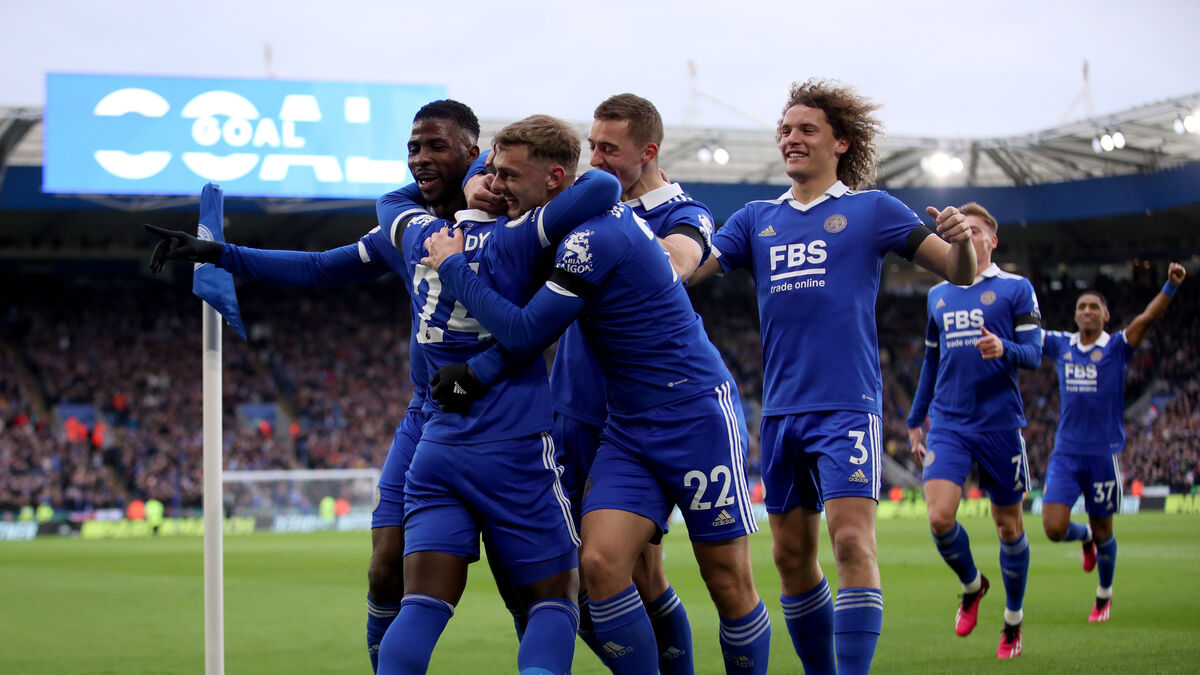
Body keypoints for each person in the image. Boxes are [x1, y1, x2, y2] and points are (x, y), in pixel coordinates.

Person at [425, 114, 772, 674]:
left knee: (727, 580)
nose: (498, 186)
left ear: (554, 178)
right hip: (627, 424)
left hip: (693, 412)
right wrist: (476, 374)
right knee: (601, 566)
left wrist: (454, 267)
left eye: (510, 176)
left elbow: (526, 331)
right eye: (495, 173)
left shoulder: (593, 237)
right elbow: (532, 327)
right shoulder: (564, 226)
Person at [147, 99, 479, 671]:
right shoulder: (404, 227)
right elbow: (320, 267)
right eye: (413, 148)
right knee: (384, 567)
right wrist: (221, 254)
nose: (420, 158)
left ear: (472, 152)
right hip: (428, 413)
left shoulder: (514, 217)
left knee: (536, 587)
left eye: (436, 146)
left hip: (505, 413)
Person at [688, 78, 977, 674]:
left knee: (850, 542)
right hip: (781, 412)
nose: (790, 138)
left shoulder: (873, 210)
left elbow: (960, 272)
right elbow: (686, 275)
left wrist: (963, 242)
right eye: (785, 130)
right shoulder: (755, 220)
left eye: (806, 129)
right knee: (791, 559)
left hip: (847, 405)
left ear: (841, 142)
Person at [375, 162, 620, 674]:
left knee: (421, 604)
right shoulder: (520, 236)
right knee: (555, 600)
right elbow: (603, 186)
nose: (495, 181)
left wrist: (444, 177)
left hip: (438, 447)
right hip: (513, 447)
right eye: (490, 171)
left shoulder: (422, 235)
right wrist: (535, 186)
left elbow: (387, 204)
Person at [565, 93, 713, 673]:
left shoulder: (683, 213)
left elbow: (677, 264)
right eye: (591, 146)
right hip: (569, 407)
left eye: (609, 148)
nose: (595, 160)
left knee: (626, 571)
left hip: (626, 420)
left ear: (648, 151)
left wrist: (612, 226)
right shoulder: (587, 205)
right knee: (587, 574)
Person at [905, 202, 1043, 659]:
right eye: (961, 229)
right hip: (948, 421)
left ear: (992, 240)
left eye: (977, 229)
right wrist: (915, 419)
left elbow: (1034, 353)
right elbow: (931, 361)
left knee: (1009, 527)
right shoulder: (937, 295)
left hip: (1000, 423)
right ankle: (972, 584)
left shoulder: (1015, 288)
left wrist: (1005, 348)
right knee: (939, 517)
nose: (968, 235)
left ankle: (1013, 620)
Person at [1040, 263, 1186, 623]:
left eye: (1094, 306)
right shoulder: (1061, 344)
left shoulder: (1117, 347)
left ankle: (1104, 594)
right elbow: (1026, 332)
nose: (1087, 311)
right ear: (1075, 315)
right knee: (1054, 528)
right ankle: (1084, 537)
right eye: (1082, 306)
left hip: (1102, 457)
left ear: (1106, 316)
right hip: (1065, 454)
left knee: (1106, 531)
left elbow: (1148, 319)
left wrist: (1170, 285)